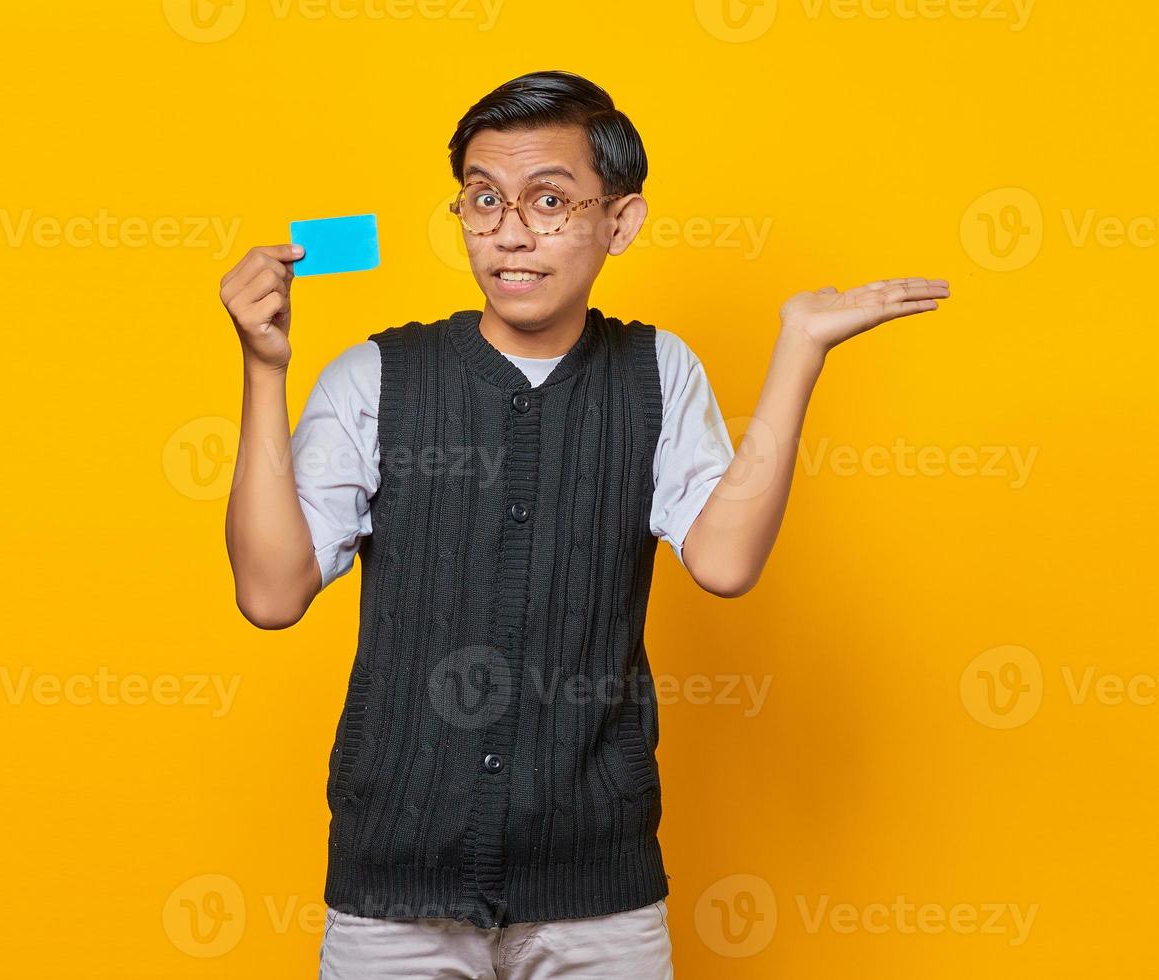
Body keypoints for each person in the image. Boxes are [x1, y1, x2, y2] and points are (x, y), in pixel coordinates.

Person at [219, 69, 950, 979]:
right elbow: (270, 591)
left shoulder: (656, 371)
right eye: (483, 201)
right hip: (394, 888)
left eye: (548, 200)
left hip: (598, 893)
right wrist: (263, 367)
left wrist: (798, 350)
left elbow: (724, 562)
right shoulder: (376, 376)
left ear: (620, 221)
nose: (510, 232)